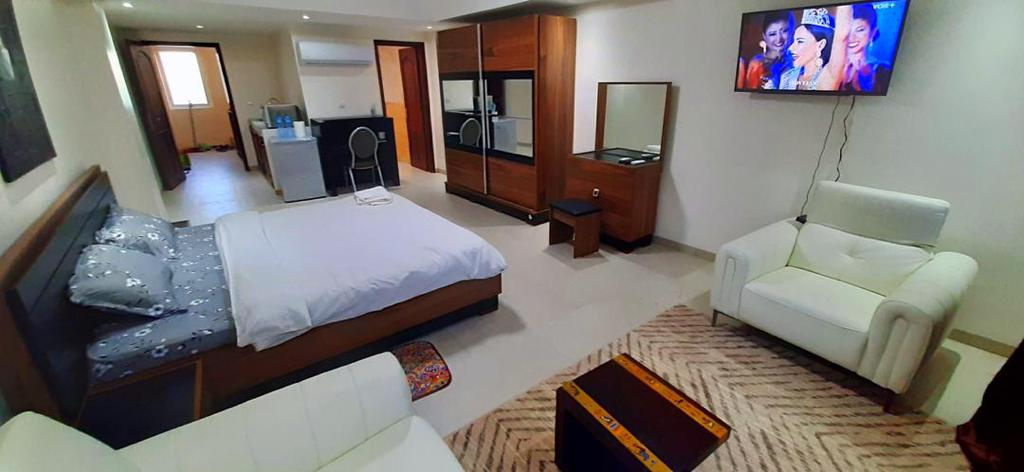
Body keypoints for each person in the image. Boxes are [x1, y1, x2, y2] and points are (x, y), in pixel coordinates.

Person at [779, 6, 852, 91]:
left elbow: (842, 36)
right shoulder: (787, 77)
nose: (790, 48)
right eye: (793, 41)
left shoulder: (828, 76)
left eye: (800, 41)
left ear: (820, 45)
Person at [842, 3, 893, 93]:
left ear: (872, 33)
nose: (851, 37)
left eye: (860, 30)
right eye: (847, 30)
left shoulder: (882, 70)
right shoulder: (826, 66)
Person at [744, 11, 794, 90]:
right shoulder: (757, 63)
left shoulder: (798, 59)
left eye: (784, 31)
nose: (779, 39)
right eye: (772, 34)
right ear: (764, 36)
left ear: (792, 31)